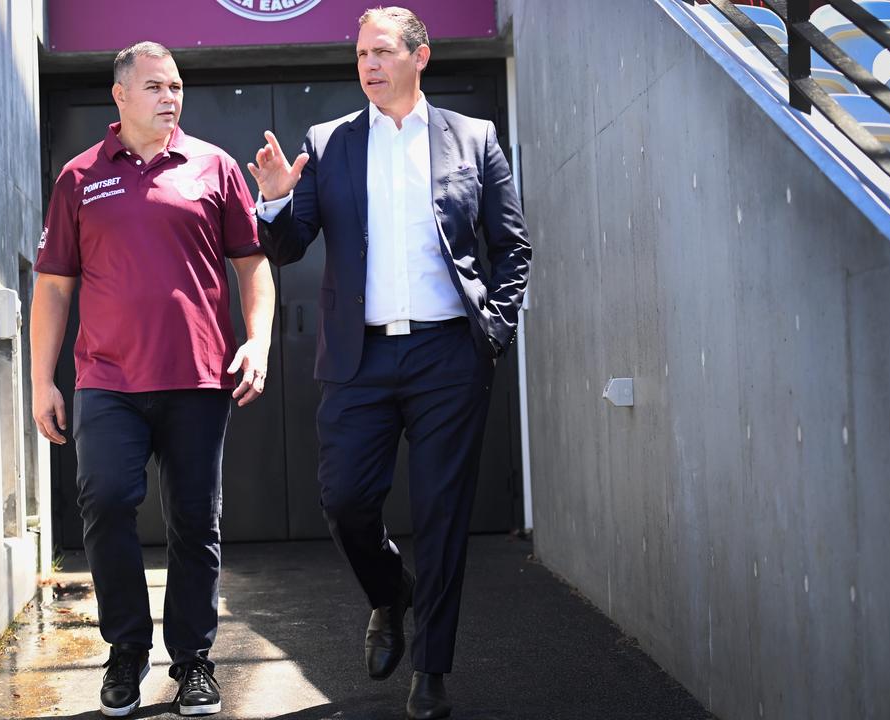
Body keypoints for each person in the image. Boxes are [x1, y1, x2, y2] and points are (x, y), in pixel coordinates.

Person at [247, 7, 531, 719]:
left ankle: (431, 671)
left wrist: (490, 331)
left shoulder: (475, 138)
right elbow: (287, 248)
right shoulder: (330, 142)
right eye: (360, 53)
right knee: (344, 500)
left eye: (381, 52)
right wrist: (276, 201)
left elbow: (512, 247)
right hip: (359, 357)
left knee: (441, 515)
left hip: (448, 356)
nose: (368, 65)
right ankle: (388, 593)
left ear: (420, 56)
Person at [30, 41, 274, 718]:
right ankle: (127, 650)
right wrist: (40, 380)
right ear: (120, 94)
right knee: (106, 503)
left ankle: (193, 661)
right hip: (106, 380)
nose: (171, 97)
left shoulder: (213, 168)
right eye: (157, 86)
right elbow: (53, 286)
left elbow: (253, 265)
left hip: (198, 378)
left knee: (197, 521)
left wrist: (257, 339)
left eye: (177, 86)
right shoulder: (80, 178)